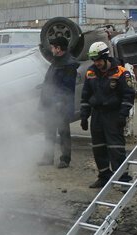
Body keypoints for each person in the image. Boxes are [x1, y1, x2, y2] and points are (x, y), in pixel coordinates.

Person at [79, 41, 136, 188]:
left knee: (116, 148)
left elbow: (128, 95)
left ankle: (123, 179)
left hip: (113, 115)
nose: (96, 63)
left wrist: (123, 115)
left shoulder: (121, 72)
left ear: (105, 57)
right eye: (94, 60)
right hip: (97, 115)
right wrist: (84, 116)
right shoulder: (90, 72)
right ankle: (104, 176)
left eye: (98, 59)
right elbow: (85, 96)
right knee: (98, 147)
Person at [38, 36, 79, 169]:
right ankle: (48, 157)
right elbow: (51, 82)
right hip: (50, 105)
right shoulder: (56, 61)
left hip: (61, 106)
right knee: (49, 132)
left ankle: (65, 159)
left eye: (53, 47)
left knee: (63, 133)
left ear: (59, 48)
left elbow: (67, 88)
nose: (51, 49)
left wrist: (57, 102)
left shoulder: (69, 64)